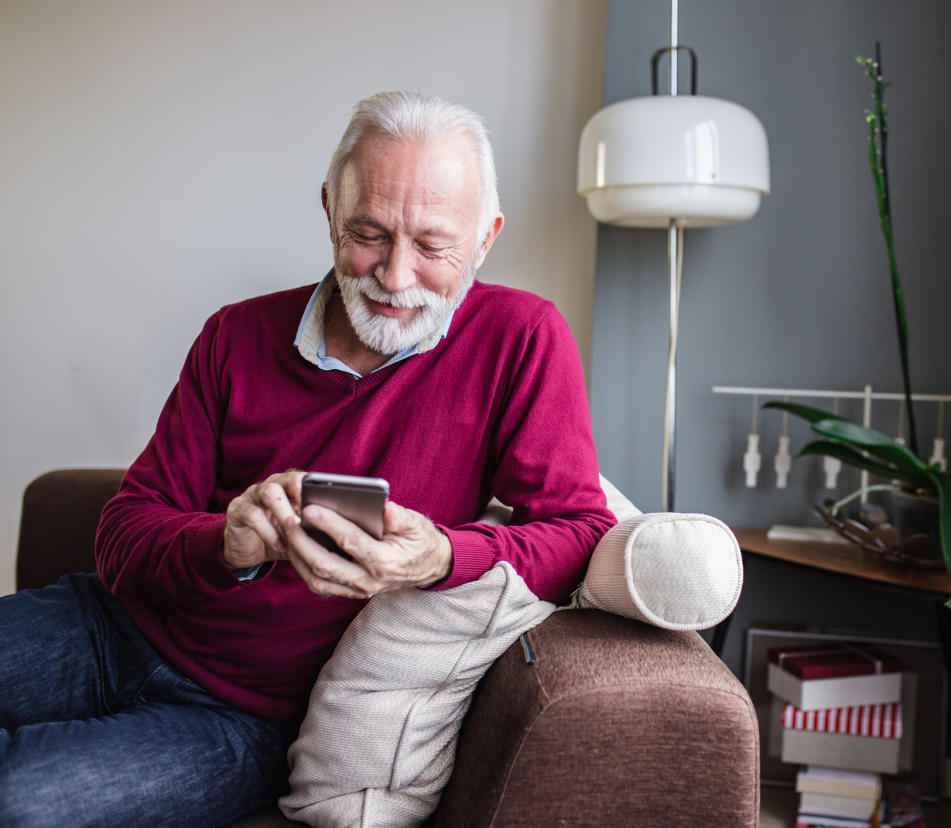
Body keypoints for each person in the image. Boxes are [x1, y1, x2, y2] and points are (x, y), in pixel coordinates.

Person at [0, 91, 614, 827]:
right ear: (329, 209)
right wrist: (224, 542)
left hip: (242, 720)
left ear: (485, 240)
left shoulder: (521, 340)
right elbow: (125, 530)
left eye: (432, 246)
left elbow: (581, 530)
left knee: (19, 800)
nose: (393, 277)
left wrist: (440, 558)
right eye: (369, 234)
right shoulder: (235, 335)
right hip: (109, 627)